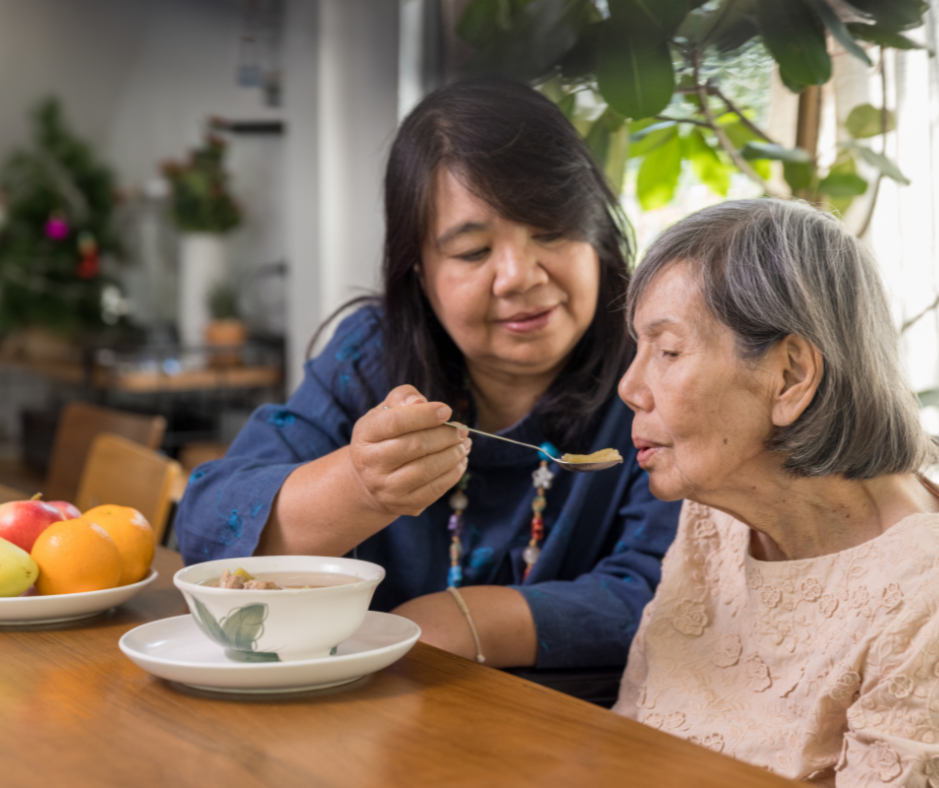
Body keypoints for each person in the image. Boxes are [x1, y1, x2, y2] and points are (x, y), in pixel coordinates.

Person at [174, 78, 681, 671]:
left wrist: (459, 622)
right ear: (417, 269)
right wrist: (359, 486)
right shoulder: (371, 356)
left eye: (551, 231)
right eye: (472, 252)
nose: (518, 275)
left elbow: (666, 589)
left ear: (597, 234)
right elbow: (208, 530)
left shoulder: (658, 373)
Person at [613, 197, 939, 784]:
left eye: (667, 351)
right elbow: (630, 732)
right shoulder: (714, 517)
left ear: (789, 375)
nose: (629, 387)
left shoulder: (925, 594)